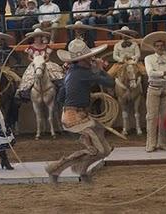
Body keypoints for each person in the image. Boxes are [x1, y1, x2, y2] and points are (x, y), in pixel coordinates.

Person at [45, 38, 115, 183]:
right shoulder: (83, 73)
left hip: (75, 115)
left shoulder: (71, 73)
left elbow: (60, 98)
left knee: (106, 150)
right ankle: (56, 167)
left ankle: (82, 171)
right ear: (83, 59)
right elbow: (110, 82)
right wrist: (100, 70)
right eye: (89, 57)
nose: (92, 59)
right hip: (76, 118)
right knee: (99, 150)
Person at [141, 31, 166, 152]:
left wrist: (161, 75)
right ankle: (150, 144)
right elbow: (150, 73)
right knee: (151, 117)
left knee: (164, 117)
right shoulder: (148, 58)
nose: (160, 48)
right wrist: (164, 73)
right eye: (157, 46)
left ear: (164, 47)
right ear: (154, 47)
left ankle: (162, 143)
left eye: (162, 46)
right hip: (153, 88)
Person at [16, 28, 64, 101]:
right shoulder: (31, 47)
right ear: (34, 37)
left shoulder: (46, 46)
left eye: (39, 36)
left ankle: (58, 87)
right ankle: (25, 92)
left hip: (45, 63)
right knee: (28, 76)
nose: (38, 38)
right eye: (36, 36)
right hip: (35, 63)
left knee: (54, 73)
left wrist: (43, 61)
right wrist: (35, 61)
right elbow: (29, 57)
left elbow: (47, 56)